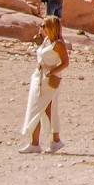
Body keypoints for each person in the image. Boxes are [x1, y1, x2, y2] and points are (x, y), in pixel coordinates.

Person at [19, 15, 69, 153]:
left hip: (49, 78)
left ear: (50, 27)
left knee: (47, 109)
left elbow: (65, 63)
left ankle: (49, 141)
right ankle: (42, 142)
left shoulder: (58, 44)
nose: (41, 28)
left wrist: (52, 72)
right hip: (38, 75)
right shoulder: (47, 40)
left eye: (43, 26)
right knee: (38, 108)